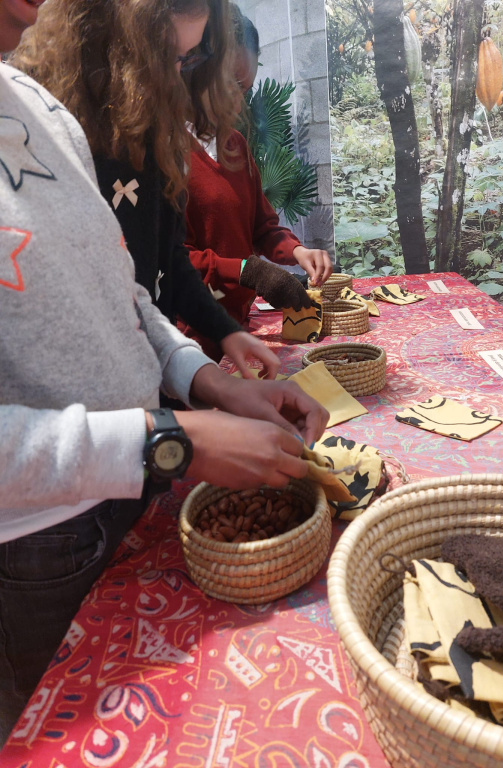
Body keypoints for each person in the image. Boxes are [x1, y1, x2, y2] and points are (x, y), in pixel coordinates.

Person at [0, 0, 328, 744]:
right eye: (164, 52)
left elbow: (124, 290)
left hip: (132, 489)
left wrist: (205, 379)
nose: (178, 78)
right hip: (41, 543)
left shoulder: (37, 110)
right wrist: (170, 442)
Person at [12, 0, 302, 378]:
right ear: (115, 47)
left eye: (187, 60)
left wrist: (218, 344)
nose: (173, 78)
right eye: (165, 56)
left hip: (157, 381)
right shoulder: (50, 134)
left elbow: (157, 275)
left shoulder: (154, 139)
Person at [180, 4, 333, 355]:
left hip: (236, 327)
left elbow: (263, 227)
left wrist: (299, 251)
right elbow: (174, 259)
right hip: (189, 341)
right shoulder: (165, 152)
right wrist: (250, 272)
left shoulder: (235, 145)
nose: (240, 100)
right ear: (194, 66)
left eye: (245, 88)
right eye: (231, 84)